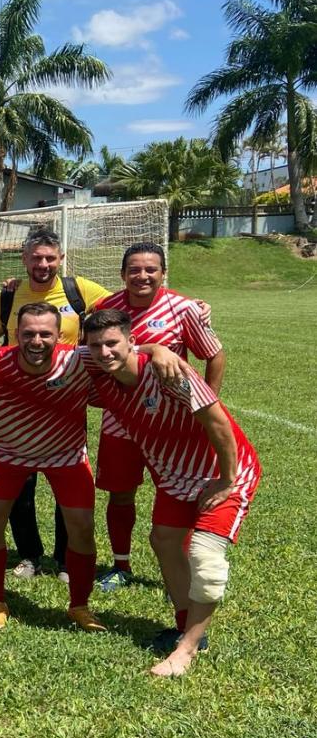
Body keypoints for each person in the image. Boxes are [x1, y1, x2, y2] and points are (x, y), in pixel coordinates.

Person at [80, 309, 260, 677]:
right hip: (174, 476)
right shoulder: (98, 366)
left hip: (224, 471)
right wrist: (156, 345)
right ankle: (184, 625)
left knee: (205, 558)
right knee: (164, 541)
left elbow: (219, 423)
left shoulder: (171, 373)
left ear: (130, 341)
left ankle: (186, 652)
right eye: (96, 345)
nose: (104, 352)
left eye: (113, 343)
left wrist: (226, 480)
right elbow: (54, 352)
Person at [0, 302, 108, 632]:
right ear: (15, 334)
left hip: (66, 455)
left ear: (60, 335)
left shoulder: (78, 359)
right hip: (9, 455)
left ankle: (80, 605)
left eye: (45, 333)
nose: (36, 340)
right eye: (28, 333)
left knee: (82, 527)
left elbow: (129, 352)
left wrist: (159, 351)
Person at [89, 243, 225, 590]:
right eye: (134, 269)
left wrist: (205, 404)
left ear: (163, 273)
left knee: (182, 494)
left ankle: (179, 570)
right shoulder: (105, 308)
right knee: (120, 493)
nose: (142, 276)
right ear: (122, 274)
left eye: (151, 269)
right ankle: (121, 566)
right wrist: (154, 347)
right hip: (122, 421)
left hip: (172, 426)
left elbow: (214, 354)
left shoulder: (183, 308)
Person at [0, 228, 111, 579]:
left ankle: (67, 559)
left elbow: (125, 311)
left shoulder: (80, 290)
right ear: (24, 260)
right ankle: (29, 555)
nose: (43, 264)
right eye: (36, 257)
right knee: (19, 484)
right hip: (15, 403)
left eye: (49, 258)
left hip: (65, 401)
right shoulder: (8, 296)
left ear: (61, 259)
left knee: (66, 481)